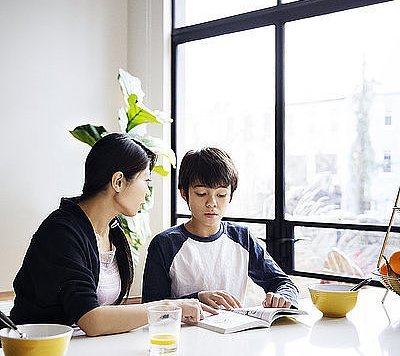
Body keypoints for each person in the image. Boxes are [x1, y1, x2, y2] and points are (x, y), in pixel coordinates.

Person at [10, 133, 202, 336]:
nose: (147, 192)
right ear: (118, 181)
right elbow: (91, 320)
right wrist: (167, 307)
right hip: (42, 351)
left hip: (90, 351)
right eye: (146, 180)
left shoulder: (113, 229)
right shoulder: (61, 231)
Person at [142, 147, 298, 311]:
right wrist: (197, 298)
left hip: (234, 333)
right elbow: (150, 309)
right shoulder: (165, 244)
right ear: (184, 194)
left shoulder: (242, 238)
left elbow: (283, 283)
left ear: (230, 195)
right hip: (184, 334)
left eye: (221, 194)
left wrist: (283, 297)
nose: (212, 203)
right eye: (201, 193)